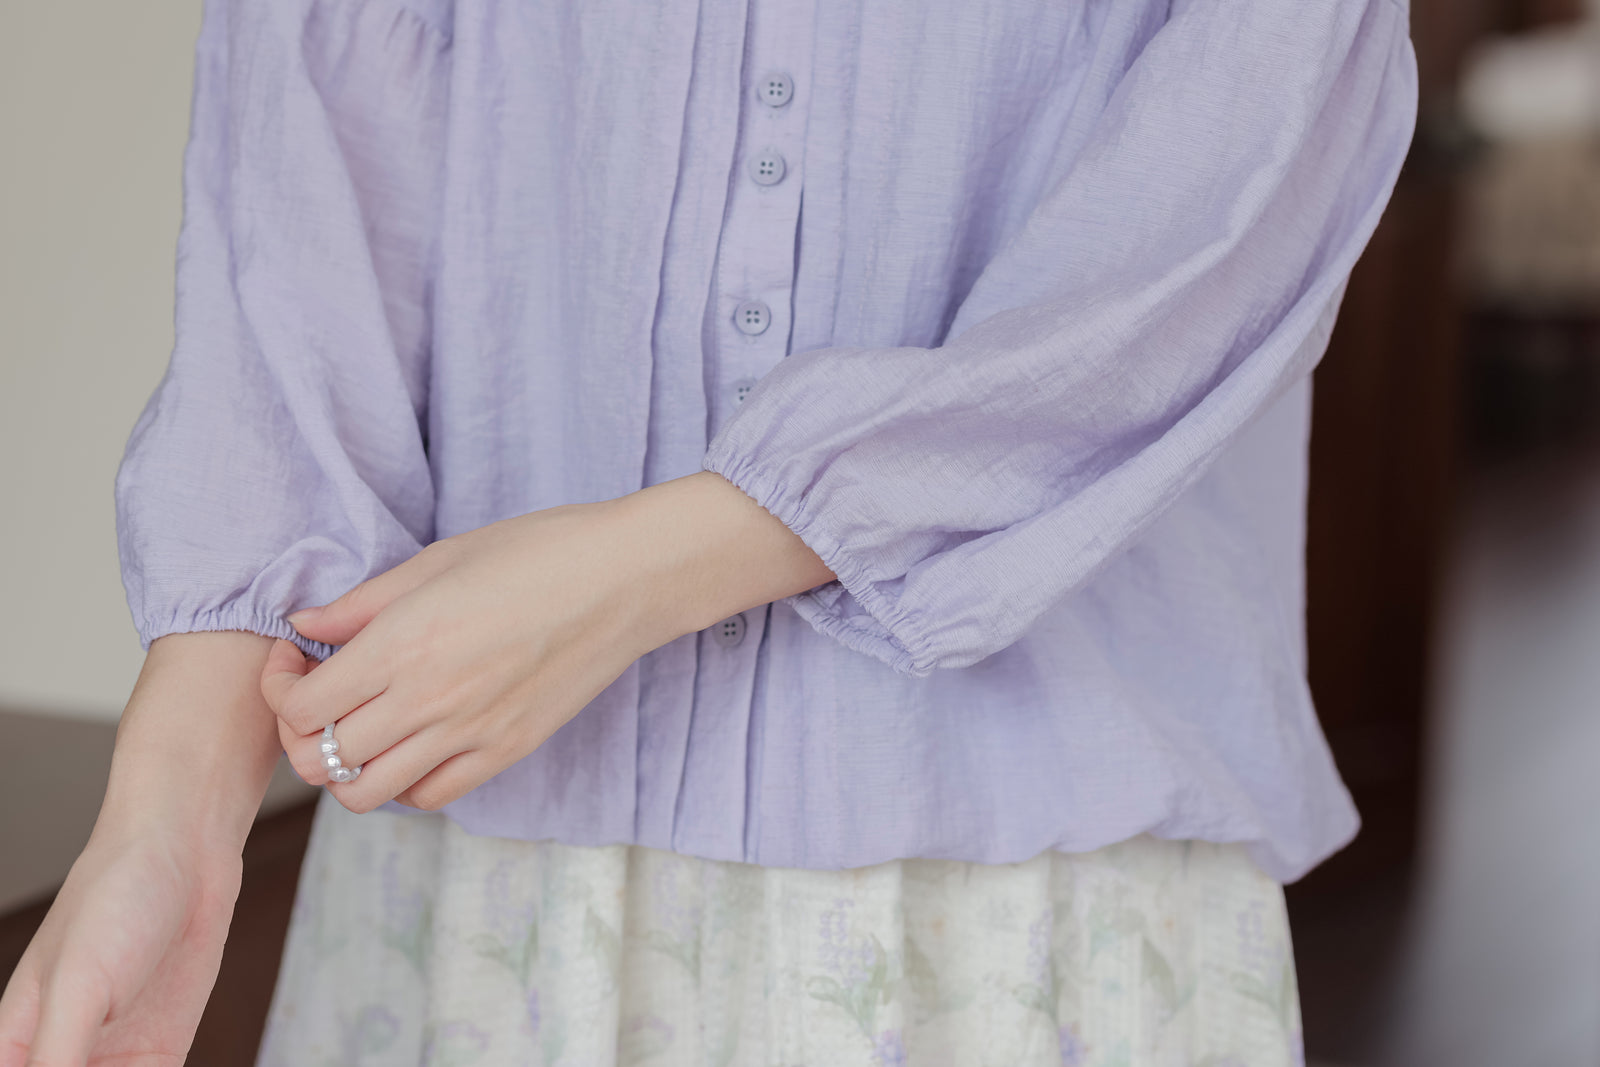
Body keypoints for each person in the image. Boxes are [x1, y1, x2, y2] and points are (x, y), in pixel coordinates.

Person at [0, 0, 1418, 1062]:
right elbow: (301, 237)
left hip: (1013, 910)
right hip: (490, 896)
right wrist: (168, 829)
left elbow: (1229, 204)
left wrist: (637, 575)